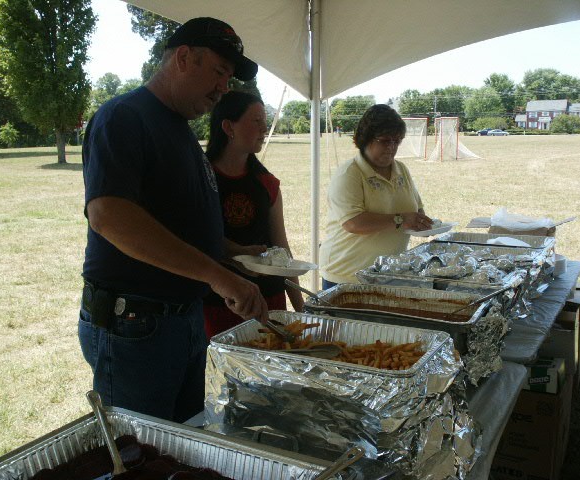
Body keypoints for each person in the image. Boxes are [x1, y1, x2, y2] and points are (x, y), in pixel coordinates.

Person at [78, 17, 268, 424]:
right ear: (183, 58)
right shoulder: (124, 116)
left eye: (230, 77)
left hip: (181, 319)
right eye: (219, 71)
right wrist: (216, 275)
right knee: (140, 454)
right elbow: (110, 215)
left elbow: (179, 221)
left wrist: (235, 255)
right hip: (134, 325)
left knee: (186, 441)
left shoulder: (178, 128)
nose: (224, 87)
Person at [203, 91, 304, 338]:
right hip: (215, 301)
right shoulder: (201, 178)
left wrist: (301, 307)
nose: (265, 128)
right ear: (228, 127)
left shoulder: (267, 184)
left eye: (265, 122)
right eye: (256, 121)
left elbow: (282, 247)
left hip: (268, 301)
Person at [319, 104, 433, 289]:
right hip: (347, 276)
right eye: (385, 140)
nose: (392, 147)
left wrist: (420, 222)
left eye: (397, 141)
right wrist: (401, 220)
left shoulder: (401, 170)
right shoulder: (349, 173)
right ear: (365, 139)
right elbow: (353, 223)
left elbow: (417, 208)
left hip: (387, 274)